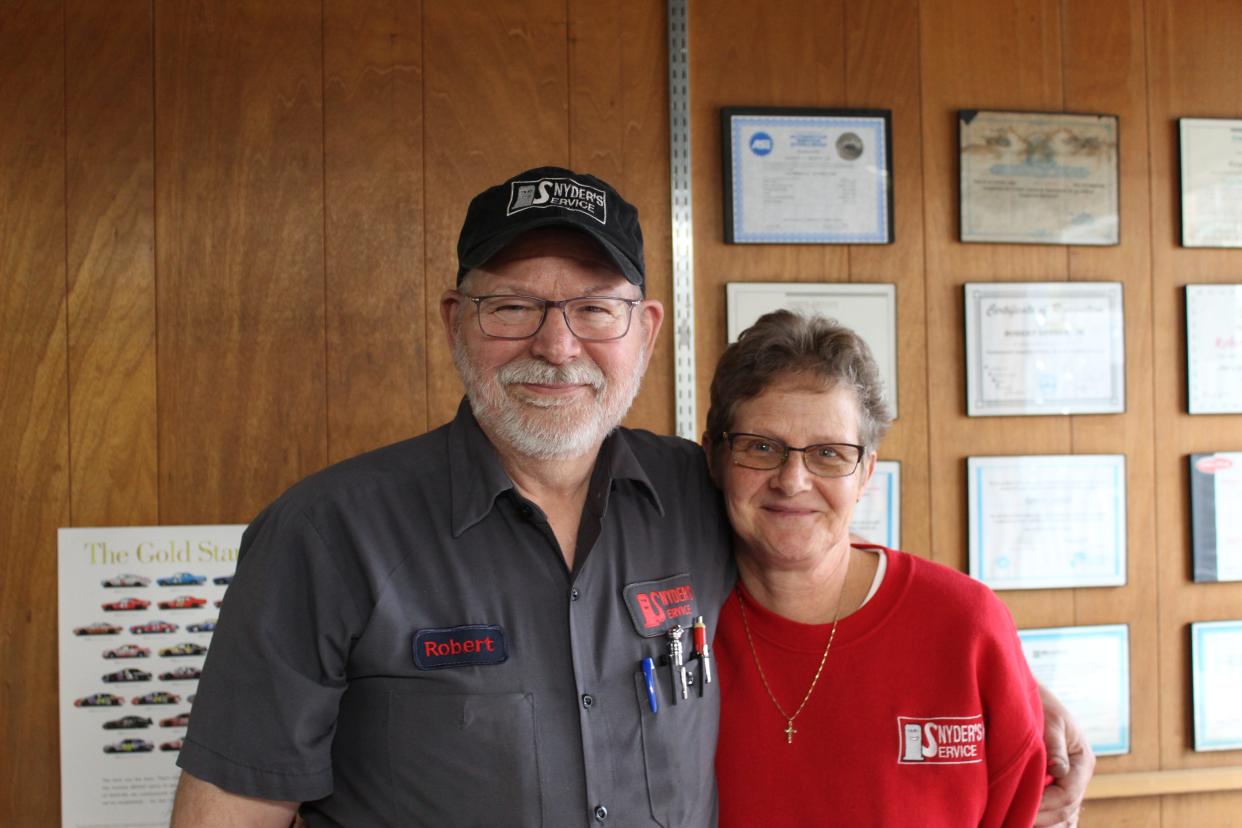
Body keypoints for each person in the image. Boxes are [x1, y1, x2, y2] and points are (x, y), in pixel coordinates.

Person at [170, 166, 1091, 827]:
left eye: (594, 309)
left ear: (644, 332)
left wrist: (1006, 683)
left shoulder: (700, 492)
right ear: (458, 322)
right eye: (513, 306)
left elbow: (820, 539)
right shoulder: (328, 534)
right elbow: (232, 806)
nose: (557, 345)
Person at [706, 310, 1057, 827]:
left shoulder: (966, 625)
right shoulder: (674, 624)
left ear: (866, 471)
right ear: (714, 458)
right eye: (762, 447)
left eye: (828, 453)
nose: (793, 480)